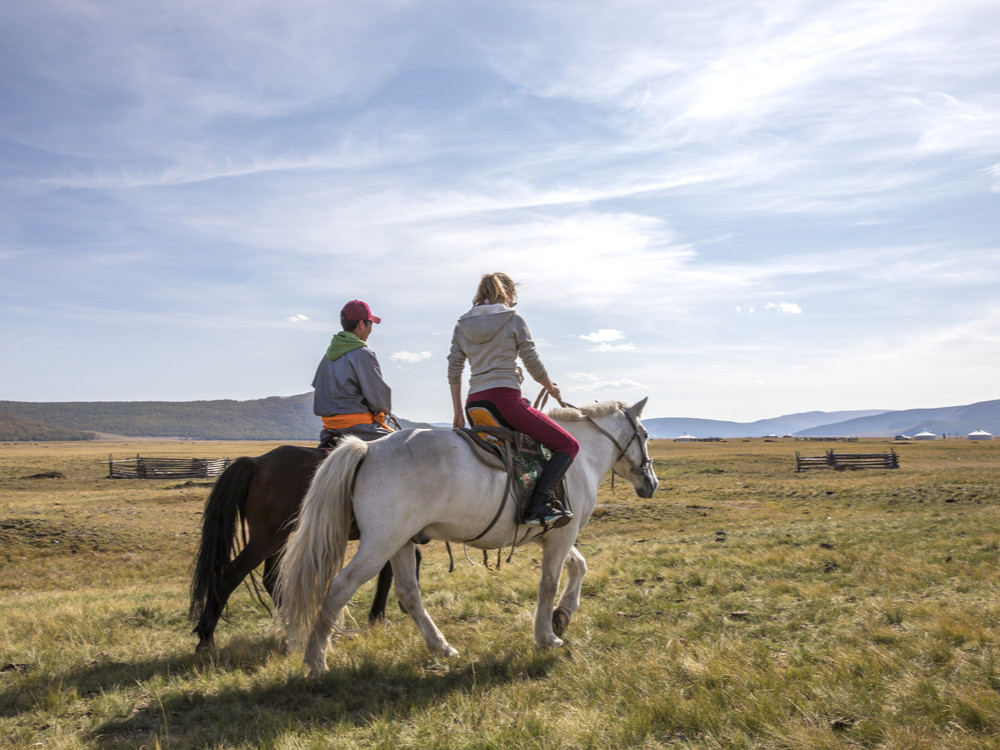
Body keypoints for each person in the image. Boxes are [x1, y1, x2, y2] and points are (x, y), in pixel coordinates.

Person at [447, 272, 579, 528]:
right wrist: (551, 388)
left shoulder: (461, 325)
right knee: (568, 445)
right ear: (508, 294)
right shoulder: (513, 319)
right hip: (505, 401)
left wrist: (457, 412)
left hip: (475, 404)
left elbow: (454, 369)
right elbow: (532, 362)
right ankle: (539, 503)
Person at [313, 299, 393, 448]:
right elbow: (378, 397)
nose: (371, 329)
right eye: (371, 324)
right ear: (362, 324)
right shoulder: (363, 354)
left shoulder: (327, 356)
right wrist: (382, 410)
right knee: (406, 451)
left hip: (330, 431)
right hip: (360, 430)